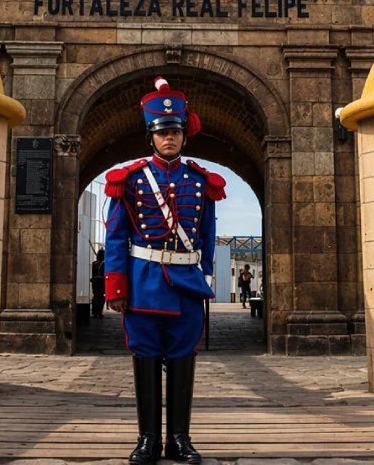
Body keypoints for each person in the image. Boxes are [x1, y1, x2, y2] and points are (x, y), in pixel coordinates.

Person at [103, 77, 226, 465]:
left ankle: (179, 439)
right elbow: (116, 236)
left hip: (186, 286)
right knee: (145, 356)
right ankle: (147, 440)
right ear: (150, 136)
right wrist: (115, 287)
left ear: (183, 136)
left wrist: (204, 278)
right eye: (162, 133)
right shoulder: (131, 180)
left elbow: (207, 235)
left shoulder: (201, 182)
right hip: (143, 284)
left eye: (174, 131)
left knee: (182, 358)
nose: (169, 138)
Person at [91, 248, 106, 319]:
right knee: (101, 297)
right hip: (102, 281)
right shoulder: (104, 263)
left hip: (95, 281)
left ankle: (95, 312)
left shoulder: (94, 263)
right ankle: (99, 312)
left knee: (96, 297)